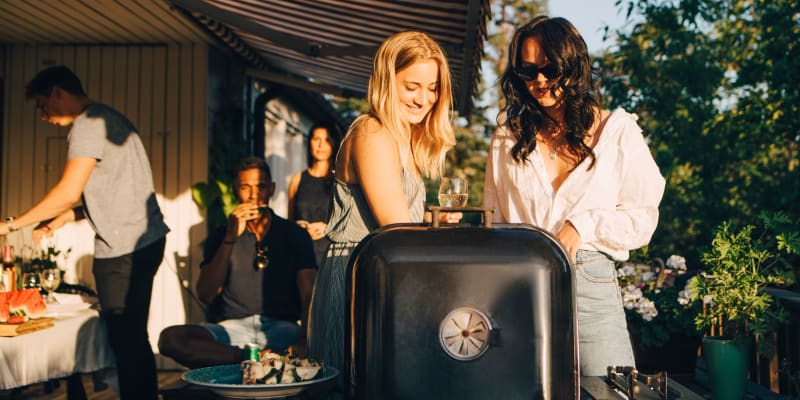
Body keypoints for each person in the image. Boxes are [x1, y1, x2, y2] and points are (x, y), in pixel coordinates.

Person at [483, 16, 666, 376]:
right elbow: (496, 218)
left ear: (573, 65)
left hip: (590, 284)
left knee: (611, 391)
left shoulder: (618, 132)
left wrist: (581, 226)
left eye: (549, 69)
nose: (538, 81)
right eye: (527, 70)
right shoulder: (508, 135)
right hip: (520, 284)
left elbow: (643, 218)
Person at [0, 65, 170, 399]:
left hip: (123, 249)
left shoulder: (88, 124)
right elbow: (115, 191)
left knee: (128, 341)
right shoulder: (108, 118)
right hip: (143, 241)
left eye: (41, 105)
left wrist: (9, 225)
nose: (42, 114)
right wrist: (68, 216)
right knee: (132, 338)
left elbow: (68, 189)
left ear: (57, 93)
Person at [307, 30, 455, 394]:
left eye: (432, 87)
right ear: (388, 81)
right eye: (412, 86)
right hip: (357, 278)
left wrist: (432, 222)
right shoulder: (372, 133)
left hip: (384, 276)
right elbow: (397, 230)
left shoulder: (404, 136)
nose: (424, 98)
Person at [158, 156, 316, 368]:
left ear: (272, 189)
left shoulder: (294, 235)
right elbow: (206, 294)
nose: (253, 195)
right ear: (235, 191)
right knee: (171, 338)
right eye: (245, 187)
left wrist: (305, 340)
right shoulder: (222, 235)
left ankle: (259, 358)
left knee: (323, 341)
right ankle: (253, 358)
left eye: (261, 187)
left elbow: (308, 296)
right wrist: (231, 237)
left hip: (283, 329)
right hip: (231, 332)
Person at [287, 122, 340, 267]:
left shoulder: (341, 180)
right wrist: (300, 227)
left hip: (330, 254)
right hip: (301, 253)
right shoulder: (297, 180)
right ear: (309, 142)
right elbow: (289, 222)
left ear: (334, 144)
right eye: (316, 139)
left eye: (327, 140)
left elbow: (349, 221)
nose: (321, 145)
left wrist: (328, 228)